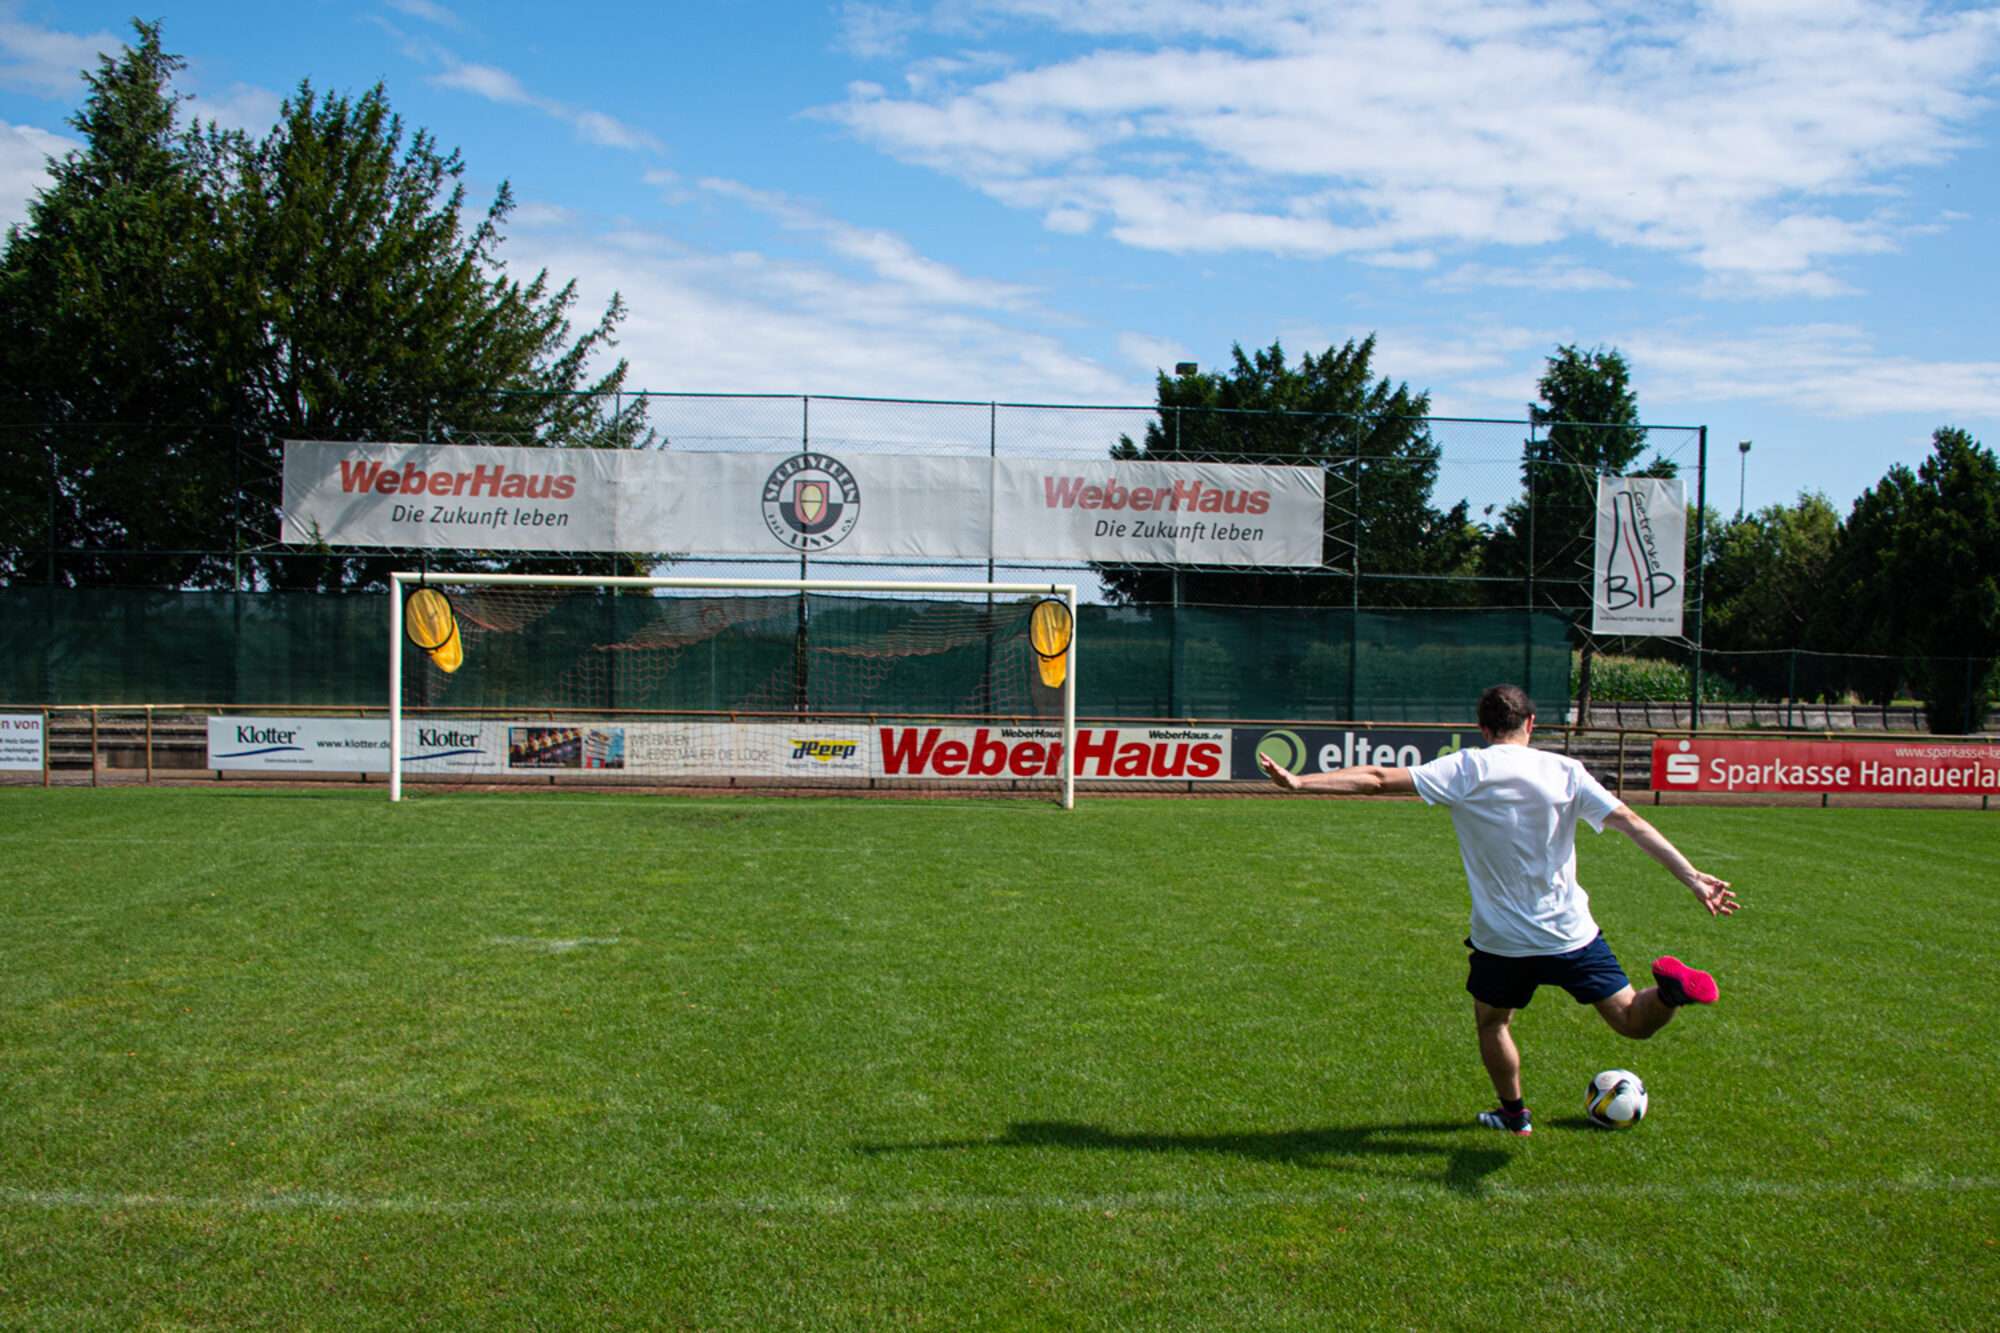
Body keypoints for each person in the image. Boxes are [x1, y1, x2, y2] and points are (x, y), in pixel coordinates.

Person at [1259, 683, 1738, 1136]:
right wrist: (1692, 876)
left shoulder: (1468, 768)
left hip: (1503, 942)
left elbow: (1378, 778)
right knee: (1633, 1019)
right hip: (1570, 933)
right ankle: (1672, 995)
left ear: (1483, 730)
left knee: (1493, 1021)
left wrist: (1301, 781)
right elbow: (1631, 822)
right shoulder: (1565, 771)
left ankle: (1514, 1115)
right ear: (1530, 724)